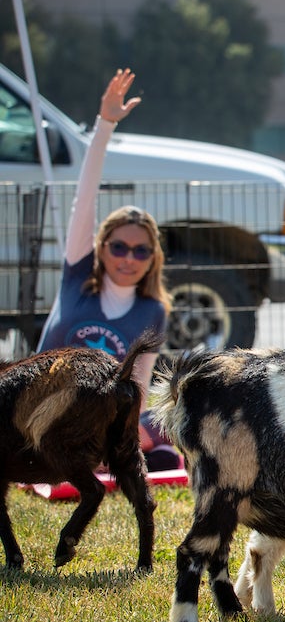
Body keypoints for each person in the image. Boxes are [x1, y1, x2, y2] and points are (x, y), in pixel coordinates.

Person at [36, 68, 181, 471]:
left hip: (99, 425)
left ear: (152, 259)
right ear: (101, 248)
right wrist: (104, 126)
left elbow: (137, 389)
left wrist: (125, 436)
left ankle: (115, 458)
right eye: (118, 247)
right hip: (44, 412)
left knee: (163, 423)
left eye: (140, 251)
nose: (128, 258)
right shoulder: (78, 278)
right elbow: (83, 200)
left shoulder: (152, 311)